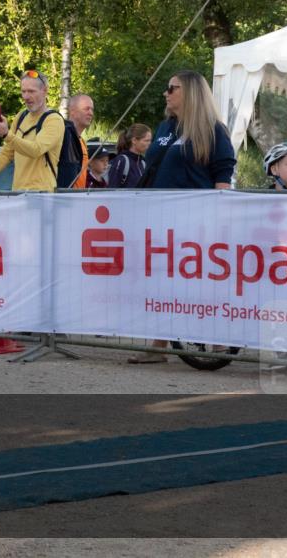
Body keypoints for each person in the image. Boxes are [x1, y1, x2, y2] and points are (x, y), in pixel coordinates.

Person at [130, 70, 236, 363]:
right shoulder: (166, 127)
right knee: (164, 280)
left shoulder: (212, 129)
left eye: (172, 88)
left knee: (199, 281)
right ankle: (158, 346)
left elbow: (223, 172)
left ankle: (215, 342)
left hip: (196, 220)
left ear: (189, 92)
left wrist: (219, 215)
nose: (166, 93)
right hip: (161, 218)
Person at [0, 70, 65, 192]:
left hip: (42, 196)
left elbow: (36, 149)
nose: (26, 97)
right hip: (18, 194)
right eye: (23, 91)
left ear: (45, 91)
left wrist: (6, 134)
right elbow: (7, 152)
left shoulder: (54, 120)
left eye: (31, 91)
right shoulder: (21, 116)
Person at [107, 123, 151, 188]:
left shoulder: (143, 163)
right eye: (146, 140)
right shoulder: (122, 161)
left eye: (150, 141)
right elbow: (112, 188)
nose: (149, 143)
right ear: (134, 140)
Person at [65, 94, 95, 188]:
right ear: (72, 111)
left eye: (92, 109)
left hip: (78, 198)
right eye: (86, 109)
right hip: (64, 198)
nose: (91, 113)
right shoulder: (64, 137)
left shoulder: (82, 141)